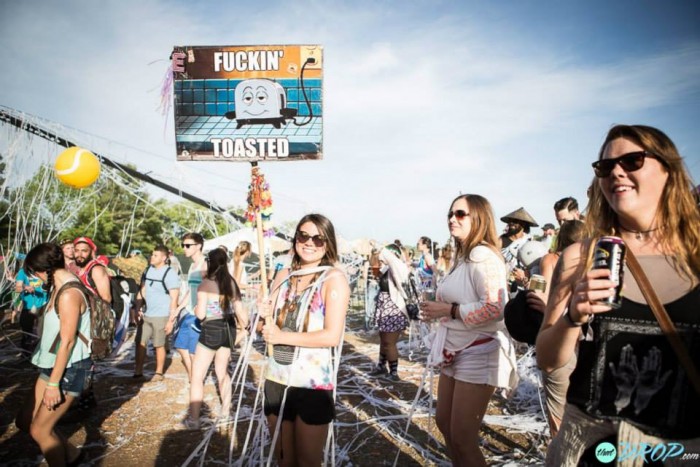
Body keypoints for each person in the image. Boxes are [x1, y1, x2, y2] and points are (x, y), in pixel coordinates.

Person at [537, 125, 700, 464]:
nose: (616, 172)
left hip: (678, 450)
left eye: (632, 160)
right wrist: (572, 318)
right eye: (605, 167)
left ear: (668, 171)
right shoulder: (580, 256)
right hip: (590, 446)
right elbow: (548, 359)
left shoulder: (696, 255)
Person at [420, 194, 517, 466]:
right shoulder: (463, 257)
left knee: (463, 436)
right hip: (456, 347)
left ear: (479, 218)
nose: (452, 218)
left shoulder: (482, 256)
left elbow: (495, 308)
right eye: (450, 213)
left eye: (460, 214)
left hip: (478, 349)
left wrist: (448, 310)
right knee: (444, 423)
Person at [259, 213, 350, 466]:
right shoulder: (283, 276)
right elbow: (265, 328)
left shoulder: (333, 279)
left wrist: (281, 336)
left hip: (311, 384)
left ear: (328, 243)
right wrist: (262, 316)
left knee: (308, 460)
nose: (309, 243)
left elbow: (331, 336)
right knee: (284, 459)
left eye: (318, 238)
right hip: (276, 377)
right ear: (295, 238)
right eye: (303, 235)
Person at [15, 243, 91, 466]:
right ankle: (73, 455)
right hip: (53, 364)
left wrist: (53, 385)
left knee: (40, 431)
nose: (33, 278)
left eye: (33, 273)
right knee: (24, 421)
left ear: (44, 270)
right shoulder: (56, 286)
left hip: (68, 369)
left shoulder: (69, 293)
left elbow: (67, 342)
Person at [181, 248, 248, 429]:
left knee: (197, 376)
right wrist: (245, 327)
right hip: (228, 329)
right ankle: (226, 412)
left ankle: (194, 420)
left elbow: (201, 315)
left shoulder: (205, 284)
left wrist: (195, 309)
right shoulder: (231, 283)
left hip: (210, 329)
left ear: (209, 263)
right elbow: (241, 311)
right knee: (222, 373)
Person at [133, 245, 180, 381]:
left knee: (159, 344)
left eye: (155, 255)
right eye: (152, 255)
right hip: (147, 314)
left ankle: (158, 372)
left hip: (162, 315)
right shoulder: (148, 270)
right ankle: (138, 370)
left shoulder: (169, 273)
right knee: (140, 342)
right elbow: (143, 290)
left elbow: (174, 296)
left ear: (164, 258)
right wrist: (137, 308)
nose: (151, 257)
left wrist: (171, 319)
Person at [368, 244, 411, 382]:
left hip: (394, 310)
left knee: (389, 342)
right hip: (385, 308)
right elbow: (374, 267)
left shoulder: (399, 268)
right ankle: (381, 366)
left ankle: (393, 373)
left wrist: (382, 249)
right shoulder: (388, 269)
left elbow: (392, 261)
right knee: (384, 340)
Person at [172, 233, 206, 381]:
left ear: (198, 246)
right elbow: (190, 290)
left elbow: (211, 289)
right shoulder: (192, 265)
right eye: (183, 245)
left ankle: (196, 381)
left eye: (188, 245)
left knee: (194, 352)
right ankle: (194, 377)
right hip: (189, 312)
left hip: (199, 314)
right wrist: (178, 309)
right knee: (180, 346)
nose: (184, 248)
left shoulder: (205, 264)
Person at [15, 266, 49, 352]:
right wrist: (25, 287)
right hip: (28, 307)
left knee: (43, 332)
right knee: (26, 332)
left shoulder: (44, 269)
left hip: (44, 305)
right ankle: (25, 354)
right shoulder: (23, 271)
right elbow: (17, 288)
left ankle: (43, 353)